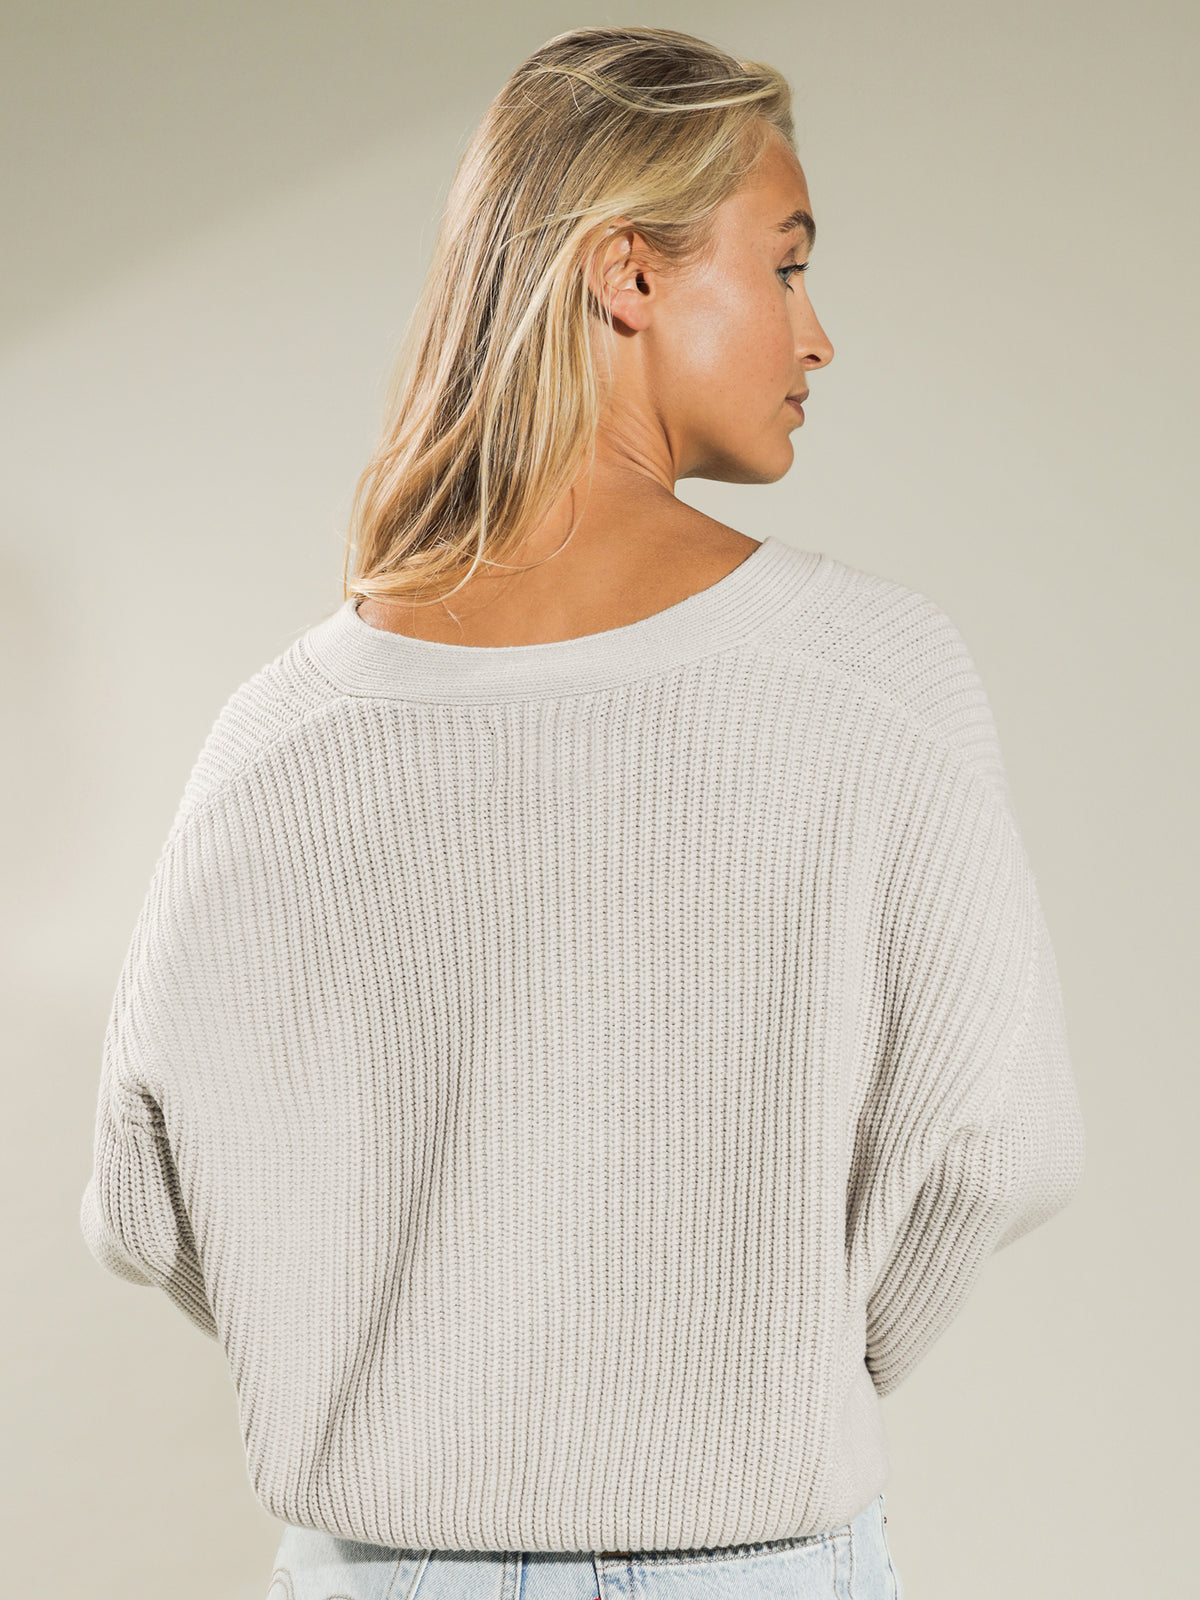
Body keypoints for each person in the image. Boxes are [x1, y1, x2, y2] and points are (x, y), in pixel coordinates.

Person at [79, 25, 1086, 1600]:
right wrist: (770, 1369)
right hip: (747, 1563)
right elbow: (997, 1147)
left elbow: (143, 1204)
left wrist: (400, 1371)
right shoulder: (873, 678)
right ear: (628, 273)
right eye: (786, 265)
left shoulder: (285, 737)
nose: (818, 336)